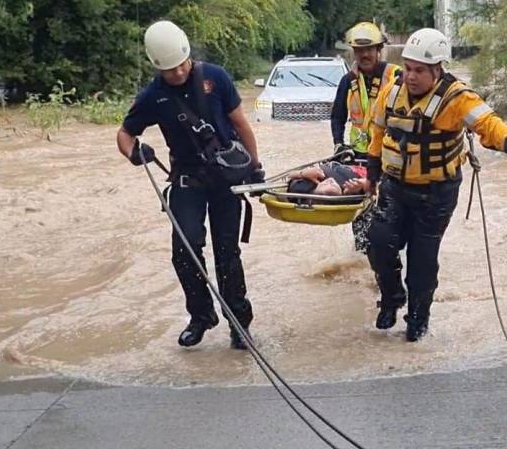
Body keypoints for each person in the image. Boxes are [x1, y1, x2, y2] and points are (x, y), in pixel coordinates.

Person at [365, 28, 507, 342]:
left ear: (438, 70)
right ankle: (392, 297)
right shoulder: (390, 92)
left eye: (419, 71)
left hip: (436, 193)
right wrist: (371, 173)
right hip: (395, 187)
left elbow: (489, 124)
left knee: (422, 262)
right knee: (378, 242)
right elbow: (378, 134)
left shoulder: (457, 99)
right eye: (408, 68)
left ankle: (417, 320)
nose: (411, 76)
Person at [117, 20, 263, 350]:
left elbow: (241, 123)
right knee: (184, 251)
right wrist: (134, 153)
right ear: (157, 67)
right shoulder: (154, 95)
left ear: (188, 54)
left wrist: (256, 168)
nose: (178, 73)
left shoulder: (216, 77)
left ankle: (239, 323)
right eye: (170, 71)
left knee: (228, 254)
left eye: (181, 65)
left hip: (225, 180)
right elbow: (125, 134)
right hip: (187, 181)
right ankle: (201, 316)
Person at [330, 22, 401, 251]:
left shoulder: (395, 76)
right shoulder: (347, 81)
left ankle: (392, 252)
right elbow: (337, 117)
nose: (364, 55)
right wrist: (339, 144)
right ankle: (362, 254)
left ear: (379, 49)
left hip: (391, 156)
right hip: (359, 155)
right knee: (361, 211)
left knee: (390, 210)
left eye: (369, 49)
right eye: (359, 51)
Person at [287, 162, 370, 197]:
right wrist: (363, 184)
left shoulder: (301, 188)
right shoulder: (352, 187)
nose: (330, 180)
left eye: (325, 183)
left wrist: (302, 173)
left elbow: (289, 175)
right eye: (331, 184)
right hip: (358, 172)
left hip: (335, 167)